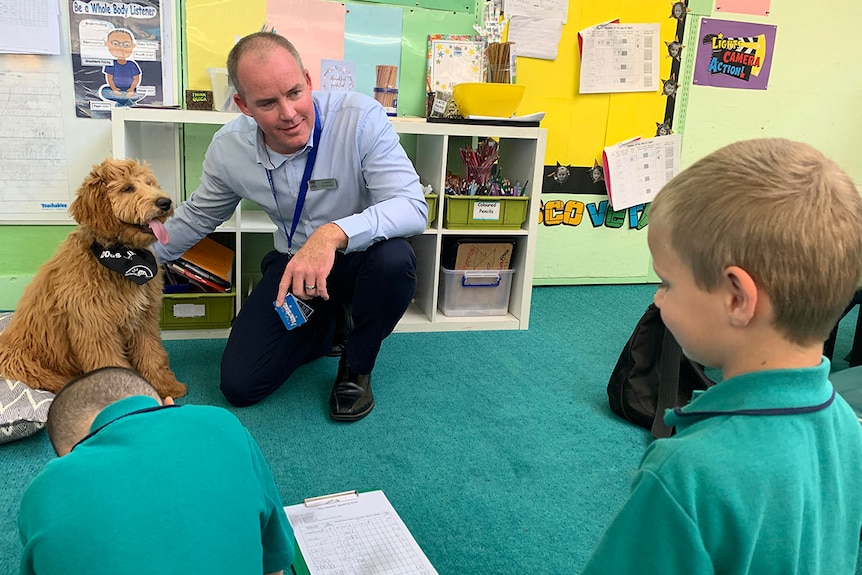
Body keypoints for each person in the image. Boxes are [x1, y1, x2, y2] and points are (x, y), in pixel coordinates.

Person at [581, 139, 862, 574]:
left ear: (736, 299)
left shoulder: (683, 475)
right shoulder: (847, 428)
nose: (657, 300)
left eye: (667, 283)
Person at [153, 32, 427, 421]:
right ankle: (329, 323)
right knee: (240, 385)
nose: (289, 113)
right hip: (294, 265)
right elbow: (198, 216)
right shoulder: (229, 149)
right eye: (267, 103)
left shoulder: (361, 118)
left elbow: (413, 206)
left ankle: (357, 361)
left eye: (295, 93)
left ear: (307, 80)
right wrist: (140, 256)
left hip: (364, 260)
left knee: (396, 259)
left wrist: (331, 234)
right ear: (243, 105)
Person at [18, 367, 295, 575]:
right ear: (168, 405)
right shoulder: (223, 424)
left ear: (71, 454)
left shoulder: (44, 491)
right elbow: (274, 564)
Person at [101, 28, 143, 106]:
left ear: (133, 46)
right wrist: (114, 89)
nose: (121, 48)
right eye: (115, 44)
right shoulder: (111, 63)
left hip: (130, 89)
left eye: (126, 45)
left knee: (140, 91)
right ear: (107, 44)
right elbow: (109, 78)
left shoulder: (131, 64)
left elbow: (136, 78)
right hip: (115, 89)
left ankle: (124, 101)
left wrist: (131, 89)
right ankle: (124, 102)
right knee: (104, 91)